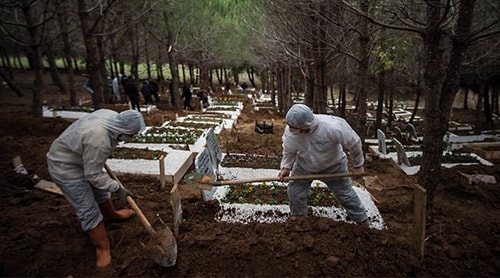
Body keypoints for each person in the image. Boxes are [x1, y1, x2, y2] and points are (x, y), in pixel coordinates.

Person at [46, 109, 146, 271]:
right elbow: (92, 175)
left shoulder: (111, 115)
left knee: (100, 191)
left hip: (80, 154)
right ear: (122, 131)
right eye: (131, 135)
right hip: (65, 166)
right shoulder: (98, 140)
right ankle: (102, 248)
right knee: (87, 208)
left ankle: (111, 215)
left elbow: (95, 171)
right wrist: (117, 189)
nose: (131, 139)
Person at [278, 104, 369, 226]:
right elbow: (289, 150)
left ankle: (362, 221)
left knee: (345, 194)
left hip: (334, 166)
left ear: (305, 126)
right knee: (295, 192)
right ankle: (299, 220)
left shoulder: (333, 127)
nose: (289, 128)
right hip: (305, 165)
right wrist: (286, 167)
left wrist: (358, 165)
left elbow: (354, 143)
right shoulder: (291, 132)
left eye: (292, 126)